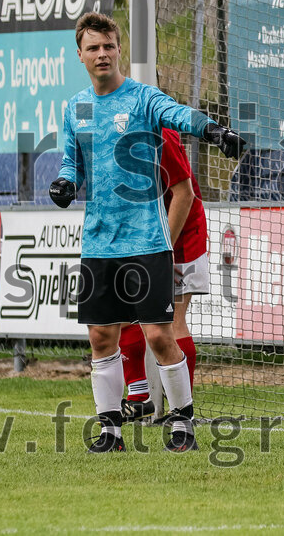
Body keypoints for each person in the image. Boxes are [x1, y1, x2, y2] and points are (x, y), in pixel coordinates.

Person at [50, 12, 245, 453]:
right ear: (79, 54)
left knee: (159, 335)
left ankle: (183, 424)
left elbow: (177, 114)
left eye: (109, 46)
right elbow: (71, 162)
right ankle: (110, 431)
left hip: (147, 242)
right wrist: (65, 182)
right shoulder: (76, 106)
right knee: (101, 337)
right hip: (99, 242)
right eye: (93, 48)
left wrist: (213, 131)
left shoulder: (142, 99)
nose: (102, 54)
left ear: (120, 49)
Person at [119, 128, 210, 423]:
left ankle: (181, 409)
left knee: (171, 322)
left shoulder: (161, 134)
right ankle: (139, 397)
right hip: (143, 233)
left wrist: (163, 251)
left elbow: (185, 196)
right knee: (122, 313)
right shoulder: (114, 130)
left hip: (180, 234)